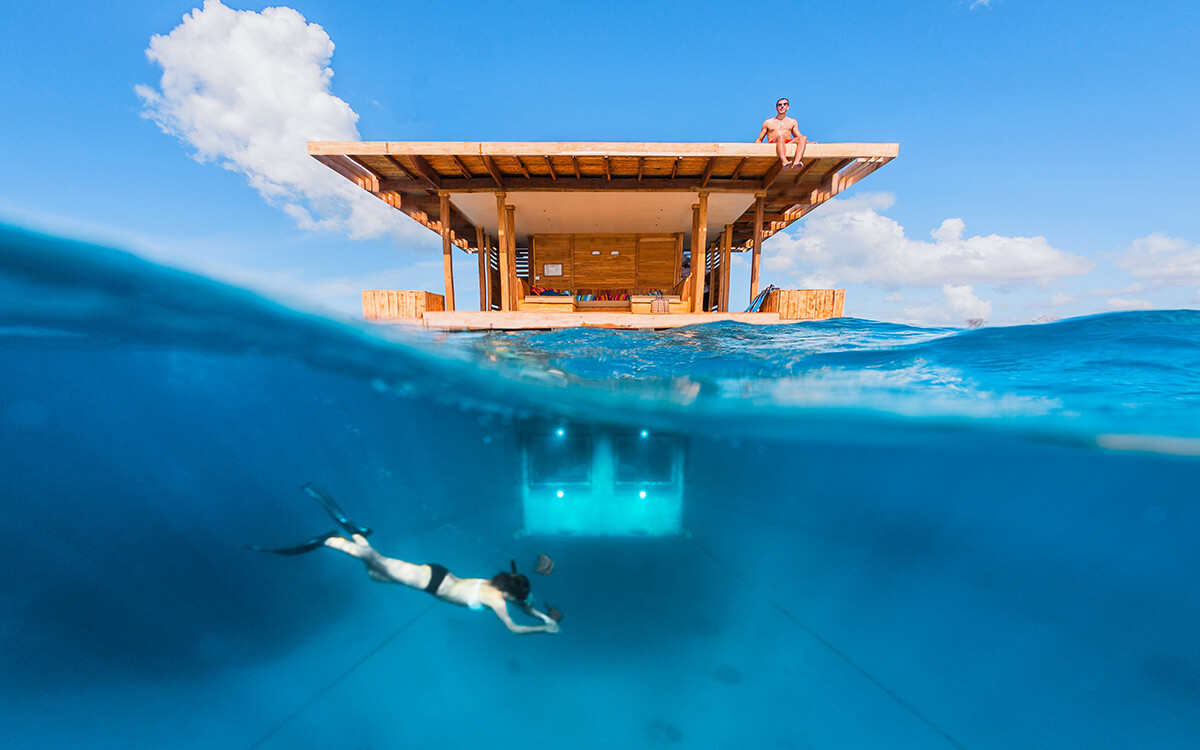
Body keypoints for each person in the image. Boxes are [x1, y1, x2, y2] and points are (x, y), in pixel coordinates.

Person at [252, 484, 560, 635]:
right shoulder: (499, 602)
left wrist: (545, 617)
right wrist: (543, 629)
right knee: (378, 561)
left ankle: (358, 532)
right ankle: (331, 539)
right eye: (515, 599)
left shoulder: (506, 587)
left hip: (438, 575)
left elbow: (528, 605)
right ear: (510, 595)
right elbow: (515, 628)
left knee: (375, 573)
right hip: (430, 581)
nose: (519, 602)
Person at [756, 98, 809, 169]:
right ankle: (784, 161)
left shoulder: (792, 122)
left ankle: (796, 162)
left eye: (785, 104)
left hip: (786, 142)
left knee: (803, 138)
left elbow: (799, 136)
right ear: (776, 108)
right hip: (774, 143)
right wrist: (752, 149)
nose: (782, 106)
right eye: (780, 105)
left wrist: (810, 143)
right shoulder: (768, 122)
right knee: (781, 137)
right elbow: (759, 139)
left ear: (788, 107)